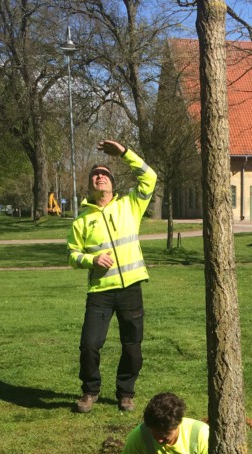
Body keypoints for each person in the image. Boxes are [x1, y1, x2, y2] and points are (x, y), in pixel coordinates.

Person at [67, 139, 157, 414]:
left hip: (130, 288)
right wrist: (91, 259)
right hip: (100, 293)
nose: (100, 176)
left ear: (112, 183)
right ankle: (90, 391)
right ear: (90, 185)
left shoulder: (130, 205)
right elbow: (72, 255)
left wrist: (124, 153)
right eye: (96, 174)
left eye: (105, 173)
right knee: (89, 344)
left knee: (132, 347)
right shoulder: (81, 220)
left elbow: (150, 177)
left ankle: (126, 393)